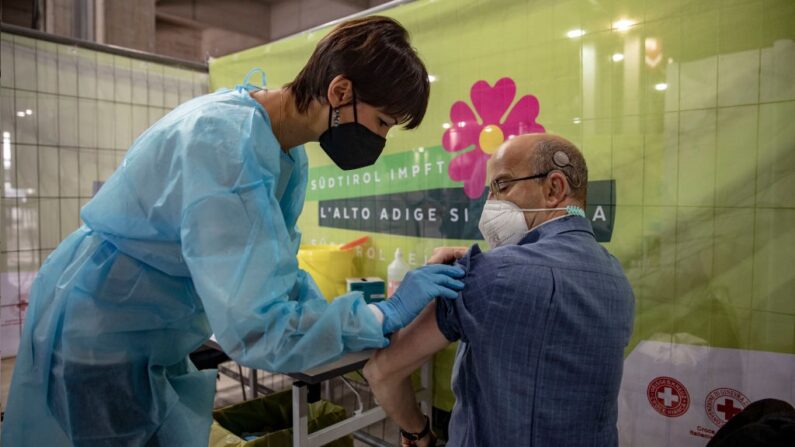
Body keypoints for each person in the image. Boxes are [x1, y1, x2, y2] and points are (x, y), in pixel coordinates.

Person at [1, 16, 465, 447]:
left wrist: (355, 317)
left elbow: (275, 271)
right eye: (382, 121)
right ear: (341, 92)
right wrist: (382, 316)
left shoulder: (284, 153)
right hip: (103, 331)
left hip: (143, 328)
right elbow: (259, 329)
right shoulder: (225, 143)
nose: (381, 140)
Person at [363, 134, 635, 447]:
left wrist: (419, 433)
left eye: (502, 186)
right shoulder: (617, 280)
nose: (491, 204)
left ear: (554, 189)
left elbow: (382, 372)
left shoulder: (492, 274)